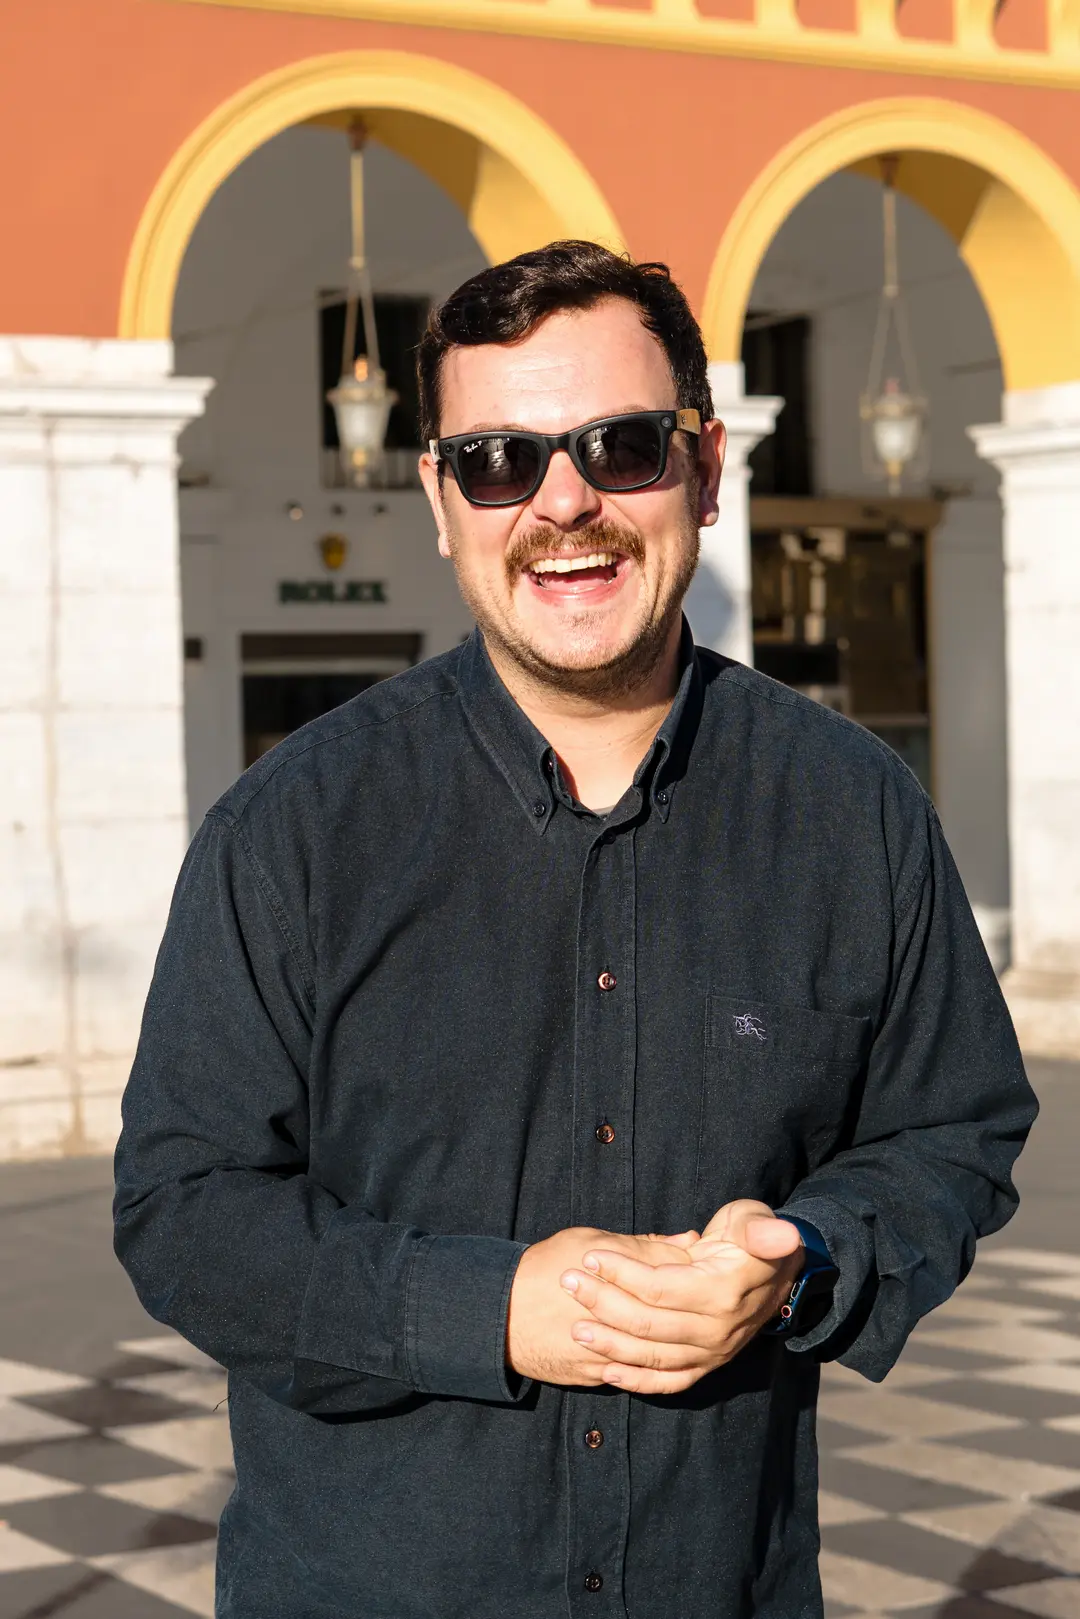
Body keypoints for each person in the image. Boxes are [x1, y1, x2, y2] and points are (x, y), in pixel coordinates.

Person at [114, 240, 1036, 1619]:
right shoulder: (292, 830)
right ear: (440, 498)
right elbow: (185, 1210)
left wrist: (809, 1257)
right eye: (497, 460)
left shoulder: (854, 811)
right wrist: (487, 1310)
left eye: (621, 446)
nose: (563, 502)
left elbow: (953, 1130)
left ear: (708, 468)